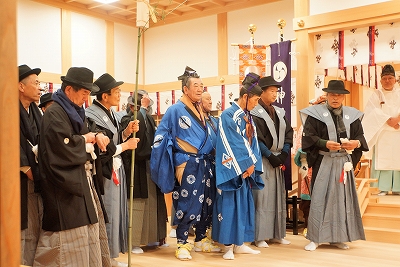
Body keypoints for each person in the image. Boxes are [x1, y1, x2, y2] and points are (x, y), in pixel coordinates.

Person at [34, 67, 115, 266]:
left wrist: (95, 136)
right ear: (69, 89)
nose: (86, 99)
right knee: (67, 240)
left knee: (89, 232)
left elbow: (85, 134)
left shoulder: (74, 111)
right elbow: (62, 148)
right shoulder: (55, 113)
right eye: (84, 93)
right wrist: (84, 141)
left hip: (82, 180)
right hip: (65, 187)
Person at [150, 66, 221, 261]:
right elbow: (161, 136)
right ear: (185, 89)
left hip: (205, 162)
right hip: (187, 162)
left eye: (202, 86)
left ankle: (199, 239)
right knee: (187, 202)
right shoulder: (175, 110)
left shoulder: (201, 110)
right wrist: (173, 159)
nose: (199, 89)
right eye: (195, 86)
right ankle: (182, 243)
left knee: (206, 201)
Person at [299, 80, 368, 251]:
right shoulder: (315, 114)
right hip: (324, 161)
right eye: (332, 95)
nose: (335, 98)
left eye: (338, 95)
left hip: (344, 163)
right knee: (319, 198)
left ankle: (338, 237)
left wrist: (355, 144)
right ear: (327, 96)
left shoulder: (352, 116)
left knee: (341, 200)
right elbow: (308, 138)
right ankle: (315, 238)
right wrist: (324, 143)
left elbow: (361, 138)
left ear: (343, 97)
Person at [85, 73, 139, 266]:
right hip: (105, 171)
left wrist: (126, 132)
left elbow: (115, 139)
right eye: (116, 91)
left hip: (116, 168)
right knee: (108, 210)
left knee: (117, 211)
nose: (119, 94)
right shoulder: (92, 115)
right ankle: (105, 256)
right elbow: (104, 150)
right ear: (104, 96)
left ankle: (112, 255)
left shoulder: (111, 113)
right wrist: (126, 145)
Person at [211, 73, 264, 260]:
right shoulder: (228, 115)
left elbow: (253, 142)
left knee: (243, 205)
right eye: (256, 99)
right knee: (229, 206)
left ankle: (239, 243)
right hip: (231, 168)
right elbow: (231, 142)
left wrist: (253, 165)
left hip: (245, 168)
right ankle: (227, 247)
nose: (257, 103)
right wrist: (246, 164)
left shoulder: (247, 116)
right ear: (245, 97)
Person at [120, 92, 167, 254]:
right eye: (140, 107)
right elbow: (137, 137)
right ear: (132, 107)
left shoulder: (147, 117)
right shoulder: (127, 120)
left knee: (154, 202)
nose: (144, 109)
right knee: (138, 204)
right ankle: (134, 242)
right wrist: (143, 110)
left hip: (150, 165)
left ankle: (155, 237)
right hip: (136, 166)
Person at [251, 76, 293, 247]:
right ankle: (259, 235)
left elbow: (289, 133)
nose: (275, 94)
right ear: (262, 93)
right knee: (262, 197)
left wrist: (283, 154)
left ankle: (277, 233)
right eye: (272, 91)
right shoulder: (254, 113)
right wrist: (270, 155)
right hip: (263, 159)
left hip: (277, 159)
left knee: (277, 197)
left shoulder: (280, 112)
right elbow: (256, 137)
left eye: (277, 91)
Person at [18, 64, 43, 266]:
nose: (39, 87)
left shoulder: (35, 110)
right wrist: (25, 167)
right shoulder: (7, 109)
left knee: (36, 224)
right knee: (21, 225)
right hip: (19, 177)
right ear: (21, 86)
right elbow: (9, 140)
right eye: (35, 83)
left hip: (37, 174)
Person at [362, 64, 400, 196]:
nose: (387, 81)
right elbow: (371, 112)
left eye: (390, 78)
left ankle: (397, 188)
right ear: (380, 80)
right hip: (382, 132)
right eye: (385, 78)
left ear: (395, 80)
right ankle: (381, 187)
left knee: (398, 158)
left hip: (398, 132)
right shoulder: (376, 95)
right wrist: (388, 119)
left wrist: (397, 120)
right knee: (382, 160)